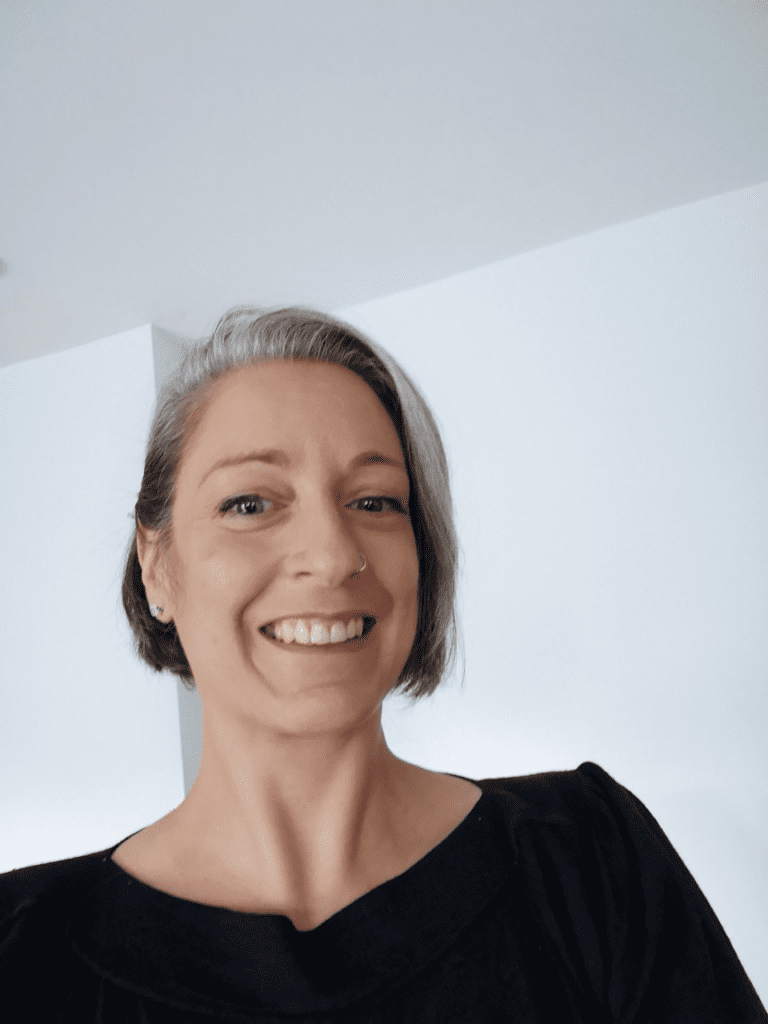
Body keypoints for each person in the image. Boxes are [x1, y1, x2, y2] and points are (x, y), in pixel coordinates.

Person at [0, 306, 765, 1023]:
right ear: (157, 564)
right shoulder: (18, 950)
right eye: (250, 504)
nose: (333, 556)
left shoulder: (588, 858)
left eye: (374, 501)